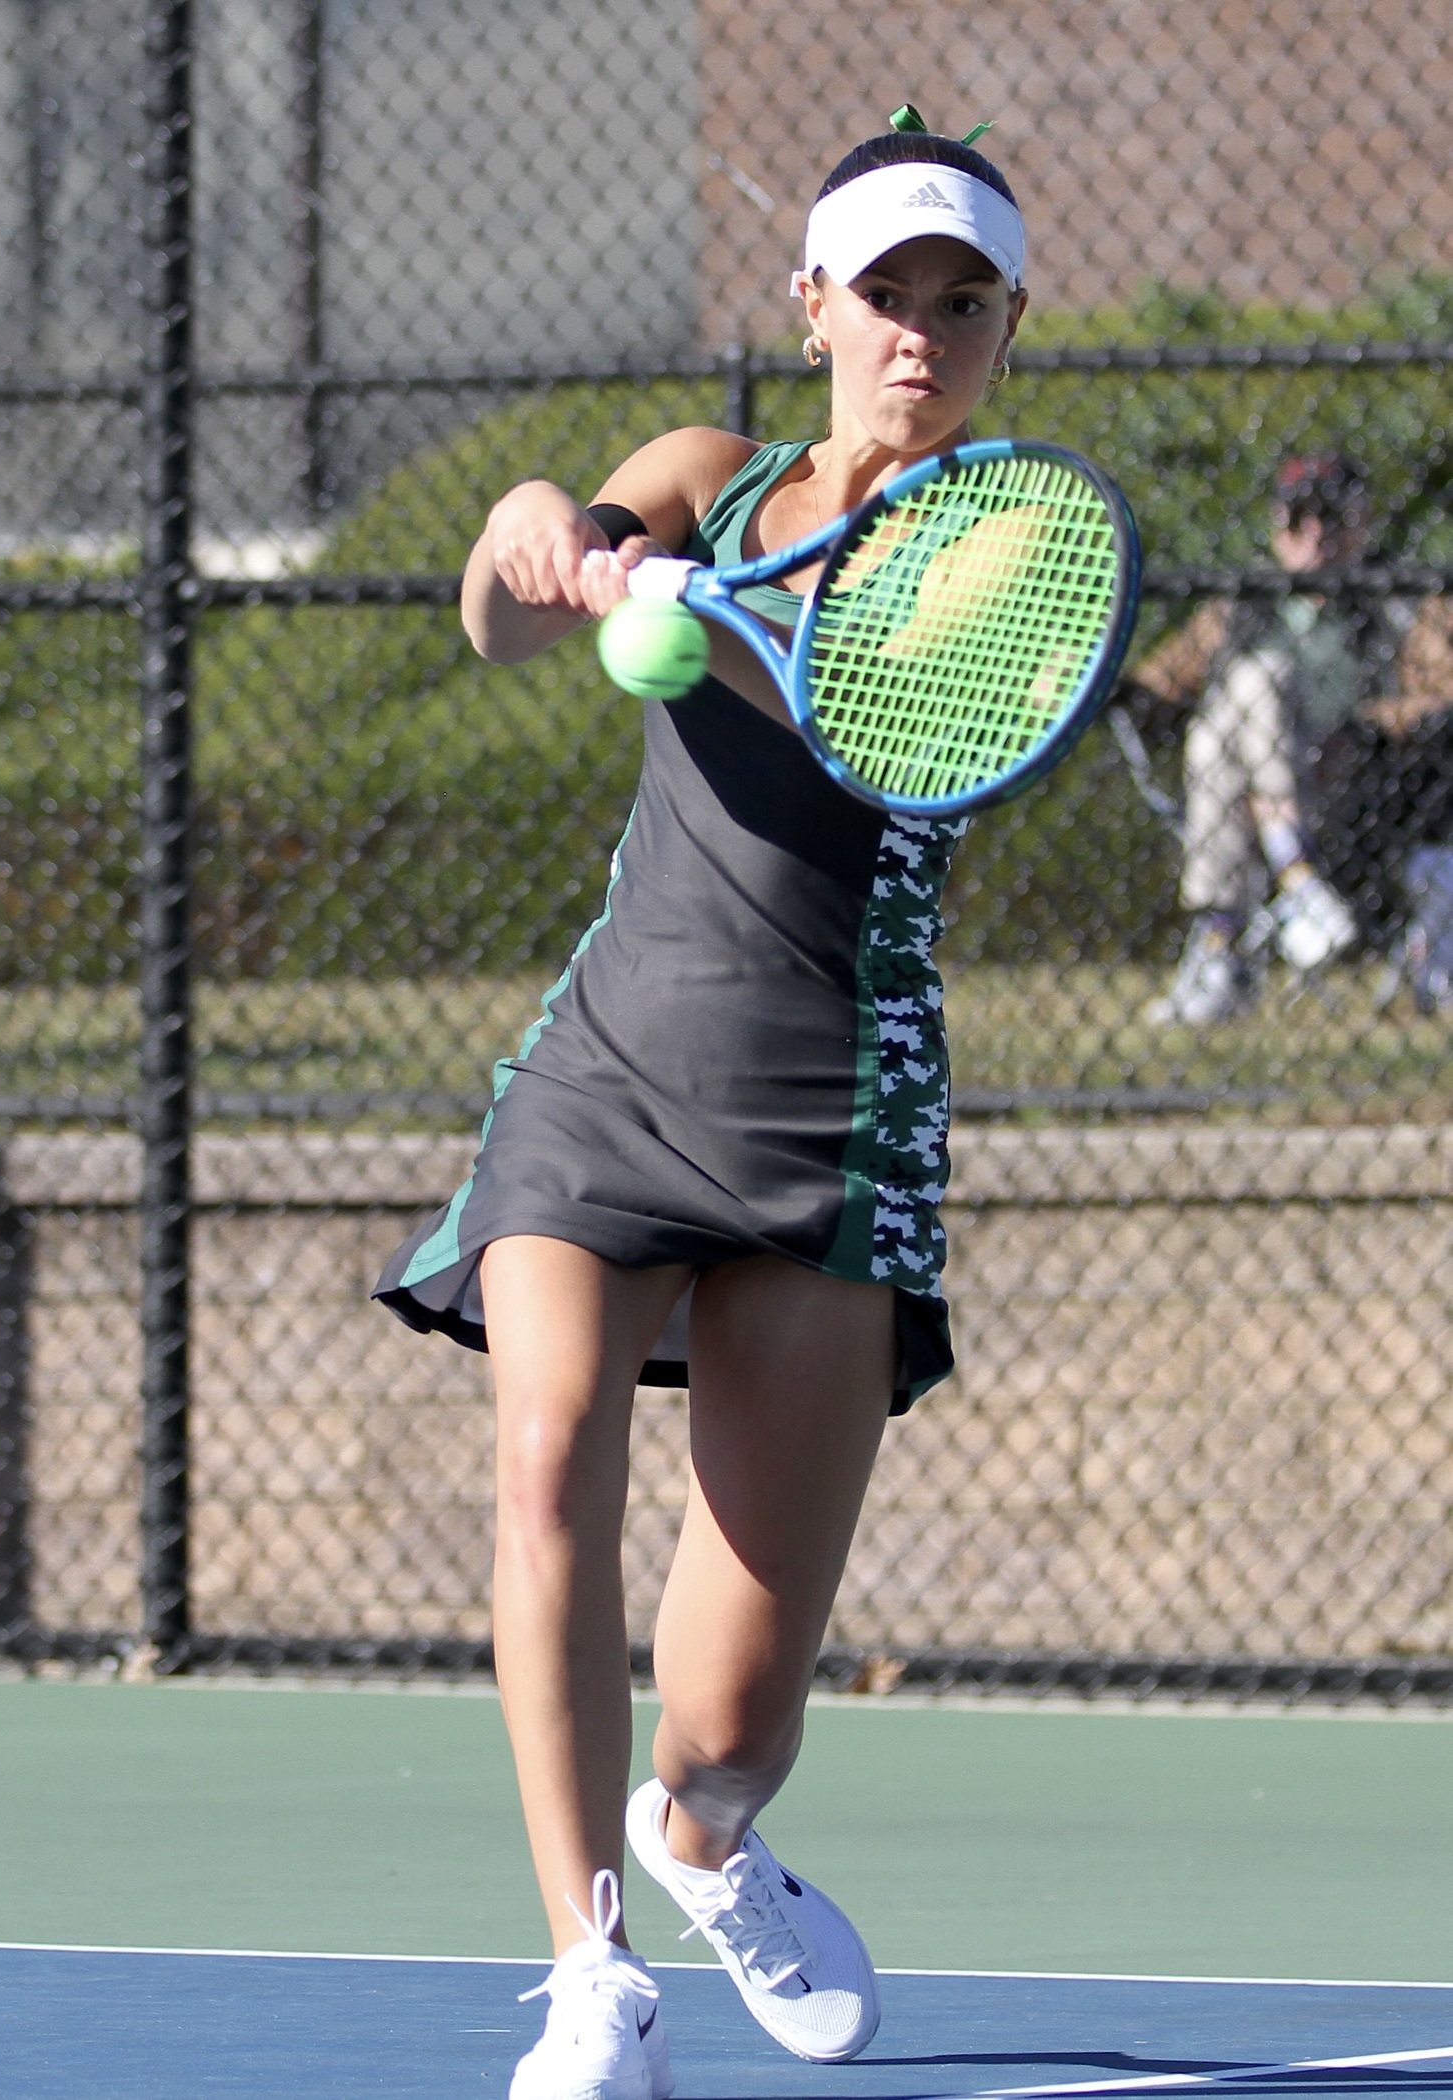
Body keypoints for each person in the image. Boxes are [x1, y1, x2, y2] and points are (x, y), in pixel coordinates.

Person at [373, 109, 1027, 2100]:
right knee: (546, 1455)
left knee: (732, 1723)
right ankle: (592, 1974)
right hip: (612, 1069)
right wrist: (535, 530)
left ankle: (704, 1841)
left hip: (830, 1114)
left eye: (964, 303)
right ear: (812, 303)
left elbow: (883, 720)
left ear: (1005, 332)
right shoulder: (700, 472)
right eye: (887, 293)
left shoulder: (1007, 544)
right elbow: (510, 609)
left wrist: (701, 615)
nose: (920, 334)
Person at [1137, 455, 1393, 1025]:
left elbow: (1435, 693)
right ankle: (1296, 875)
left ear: (1363, 523)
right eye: (1300, 518)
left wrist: (1367, 726)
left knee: (1237, 707)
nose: (1316, 535)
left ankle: (1219, 944)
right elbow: (1162, 678)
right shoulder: (1243, 601)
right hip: (1256, 786)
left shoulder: (1395, 599)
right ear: (1278, 527)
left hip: (1353, 780)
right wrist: (1096, 682)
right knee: (1240, 700)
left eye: (1332, 517)